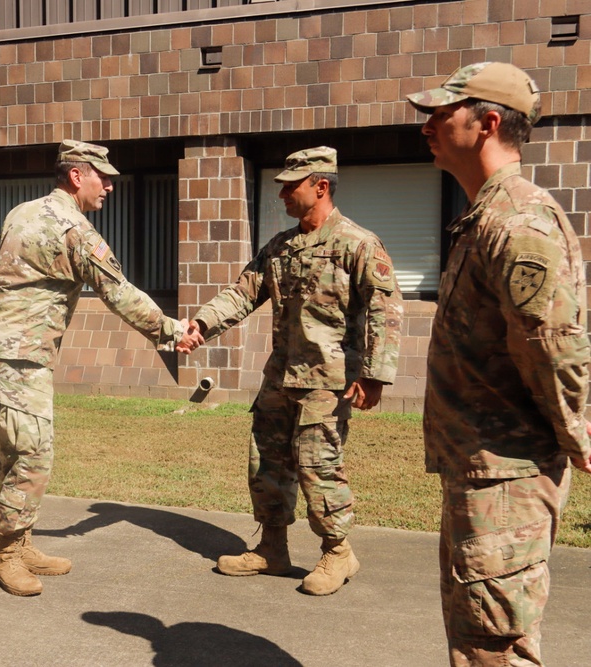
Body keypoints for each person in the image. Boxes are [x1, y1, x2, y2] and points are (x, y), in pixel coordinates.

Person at [407, 62, 591, 666]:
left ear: (488, 123)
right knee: (477, 640)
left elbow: (552, 342)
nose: (427, 125)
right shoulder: (483, 216)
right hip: (484, 473)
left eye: (441, 113)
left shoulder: (516, 221)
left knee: (495, 649)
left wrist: (579, 434)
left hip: (506, 480)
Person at [0, 139, 191, 597]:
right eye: (102, 177)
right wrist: (171, 331)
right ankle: (6, 555)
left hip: (3, 348)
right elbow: (120, 292)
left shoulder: (21, 212)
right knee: (32, 453)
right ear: (76, 176)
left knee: (15, 447)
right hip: (20, 354)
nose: (110, 185)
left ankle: (21, 541)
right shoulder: (74, 230)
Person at [178, 146, 403, 596]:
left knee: (319, 467)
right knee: (266, 463)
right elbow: (243, 293)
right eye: (280, 186)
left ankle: (338, 552)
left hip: (329, 380)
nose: (281, 193)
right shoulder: (280, 247)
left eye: (291, 186)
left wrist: (375, 374)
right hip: (280, 378)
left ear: (320, 186)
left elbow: (386, 311)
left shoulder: (358, 243)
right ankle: (272, 549)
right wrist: (201, 323)